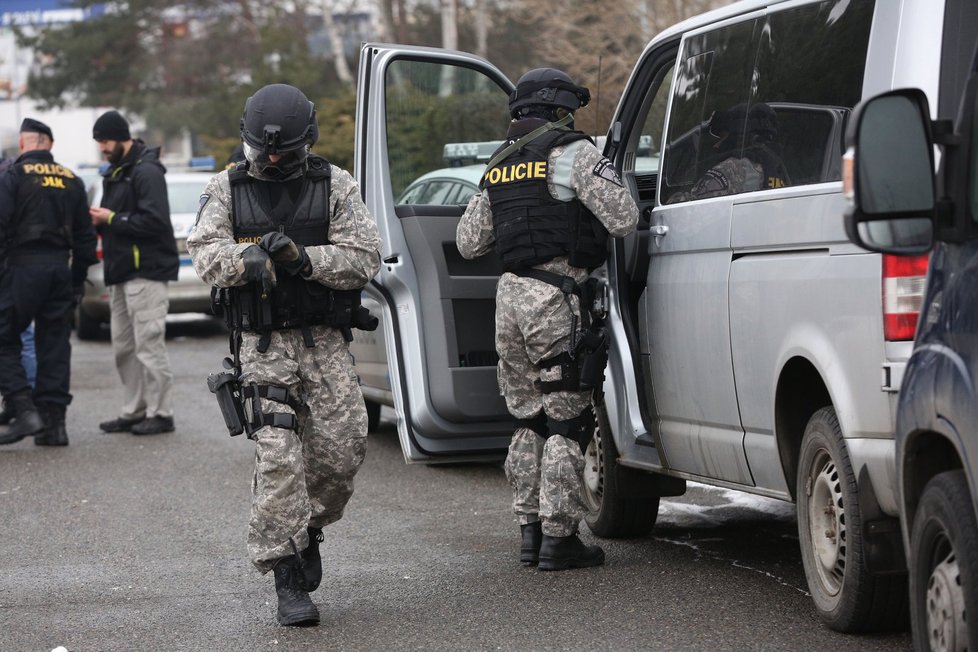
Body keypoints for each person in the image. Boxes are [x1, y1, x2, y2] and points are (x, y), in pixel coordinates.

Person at [187, 83, 381, 626]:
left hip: (323, 340)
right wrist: (247, 259)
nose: (271, 158)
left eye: (283, 151)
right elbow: (203, 251)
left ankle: (310, 527)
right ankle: (287, 572)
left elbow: (364, 257)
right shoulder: (225, 187)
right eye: (263, 149)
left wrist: (301, 257)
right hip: (264, 345)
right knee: (278, 455)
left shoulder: (335, 184)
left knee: (342, 451)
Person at [456, 68, 639, 570]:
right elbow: (624, 217)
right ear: (561, 110)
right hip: (556, 297)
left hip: (509, 299)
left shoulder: (498, 163)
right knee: (567, 418)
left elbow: (469, 242)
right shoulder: (574, 153)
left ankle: (529, 534)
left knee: (526, 418)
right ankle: (561, 539)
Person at [0, 118, 97, 447]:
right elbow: (85, 237)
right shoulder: (71, 179)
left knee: (3, 337)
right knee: (54, 346)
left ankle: (23, 409)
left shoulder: (13, 176)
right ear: (49, 144)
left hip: (22, 269)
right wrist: (77, 280)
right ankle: (54, 426)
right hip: (60, 270)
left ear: (24, 145)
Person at [90, 110, 179, 436]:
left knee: (149, 345)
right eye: (99, 141)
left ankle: (161, 413)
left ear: (121, 136)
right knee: (124, 348)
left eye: (105, 140)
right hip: (121, 274)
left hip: (146, 274)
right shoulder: (117, 171)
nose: (101, 147)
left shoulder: (146, 172)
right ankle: (134, 410)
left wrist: (111, 219)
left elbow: (155, 222)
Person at [669, 102, 789, 202]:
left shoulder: (732, 169)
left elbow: (687, 211)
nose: (716, 145)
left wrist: (671, 197)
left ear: (738, 136)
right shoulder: (779, 169)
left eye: (722, 137)